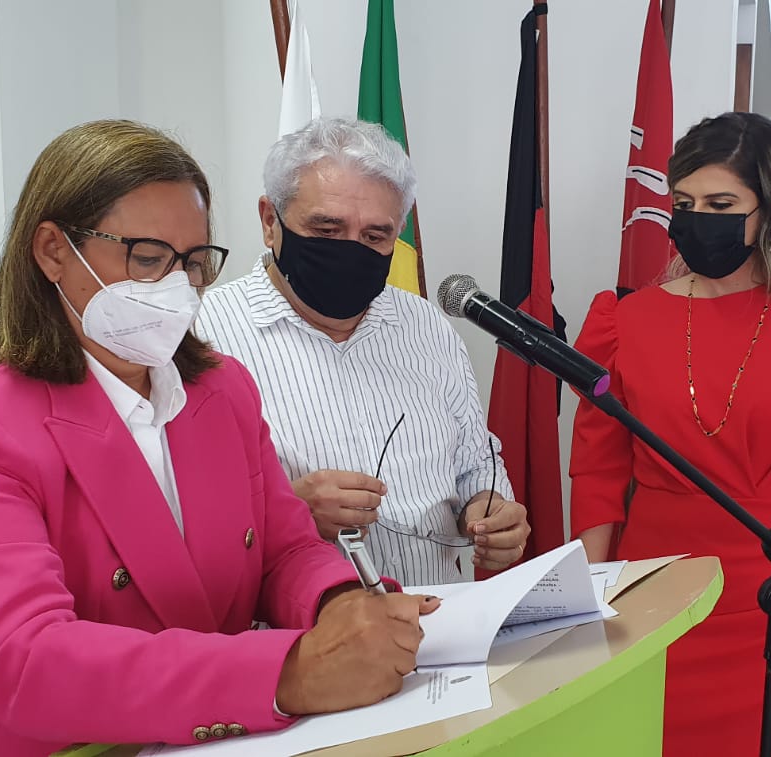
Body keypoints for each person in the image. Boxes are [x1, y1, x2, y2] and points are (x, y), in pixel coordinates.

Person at [0, 120, 439, 756]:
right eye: (148, 258)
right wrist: (288, 673)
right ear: (52, 251)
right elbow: (23, 660)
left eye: (193, 262)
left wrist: (340, 602)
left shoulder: (222, 389)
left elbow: (285, 549)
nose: (177, 287)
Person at [570, 112, 771, 756]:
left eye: (721, 205)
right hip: (653, 601)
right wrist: (587, 603)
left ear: (769, 208)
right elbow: (599, 474)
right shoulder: (625, 320)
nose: (698, 220)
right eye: (684, 204)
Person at [197, 117, 529, 587]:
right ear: (270, 221)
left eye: (374, 237)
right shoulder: (202, 336)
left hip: (441, 619)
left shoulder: (427, 327)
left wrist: (488, 510)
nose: (350, 252)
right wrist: (285, 509)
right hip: (297, 628)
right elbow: (175, 514)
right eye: (327, 229)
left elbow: (476, 463)